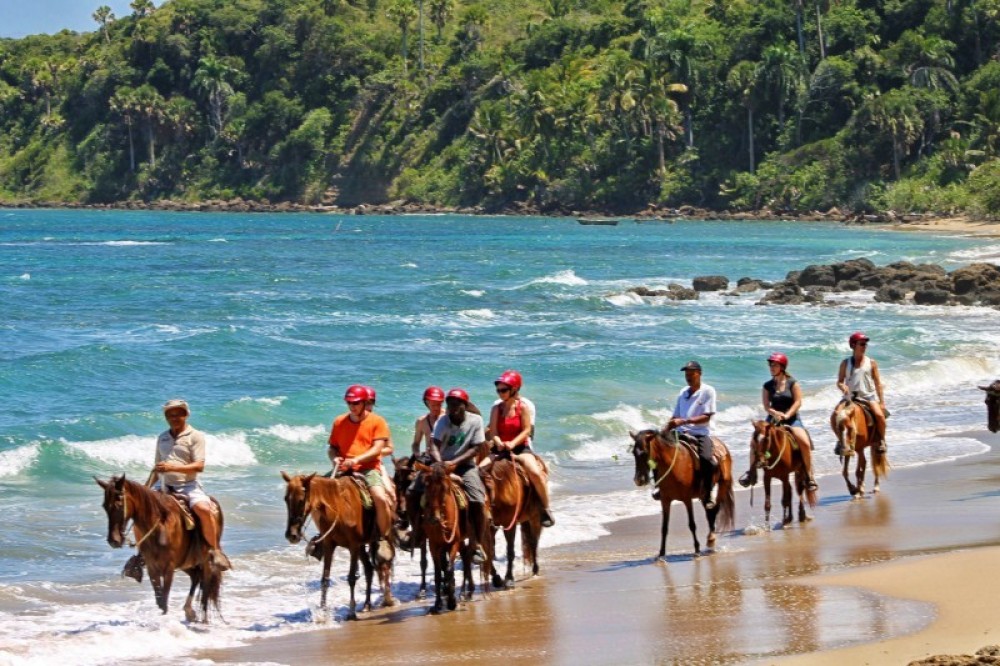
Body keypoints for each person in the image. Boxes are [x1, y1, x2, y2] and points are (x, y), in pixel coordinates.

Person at [152, 399, 231, 571]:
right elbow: (156, 468)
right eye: (170, 415)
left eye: (178, 414)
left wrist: (172, 468)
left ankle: (215, 551)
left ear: (186, 415)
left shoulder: (195, 436)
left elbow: (199, 466)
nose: (174, 418)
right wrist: (145, 488)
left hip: (187, 485)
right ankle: (140, 555)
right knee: (140, 508)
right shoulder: (162, 437)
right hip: (162, 484)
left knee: (203, 509)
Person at [328, 384, 395, 563]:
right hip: (343, 468)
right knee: (315, 492)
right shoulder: (339, 421)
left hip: (368, 468)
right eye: (349, 403)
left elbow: (378, 449)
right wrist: (334, 458)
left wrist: (356, 460)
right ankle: (322, 537)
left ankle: (383, 538)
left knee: (380, 498)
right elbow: (332, 448)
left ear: (365, 402)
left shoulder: (377, 421)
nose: (352, 406)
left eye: (356, 403)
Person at [739, 353, 819, 490]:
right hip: (772, 419)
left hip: (792, 419)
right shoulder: (767, 385)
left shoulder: (792, 383)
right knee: (755, 441)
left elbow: (798, 402)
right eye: (770, 365)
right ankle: (751, 473)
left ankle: (809, 475)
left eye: (774, 365)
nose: (771, 367)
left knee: (804, 442)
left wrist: (787, 415)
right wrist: (775, 413)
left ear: (782, 367)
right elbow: (766, 406)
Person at [428, 388, 490, 564]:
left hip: (465, 466)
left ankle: (476, 543)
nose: (452, 408)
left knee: (478, 500)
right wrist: (440, 463)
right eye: (449, 404)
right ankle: (415, 533)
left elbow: (476, 448)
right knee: (413, 490)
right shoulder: (443, 421)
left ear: (465, 405)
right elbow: (434, 445)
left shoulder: (475, 420)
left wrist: (455, 463)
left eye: (456, 404)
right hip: (442, 465)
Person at [488, 370, 554, 528]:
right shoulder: (496, 408)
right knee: (479, 470)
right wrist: (498, 442)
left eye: (503, 390)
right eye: (498, 390)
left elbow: (526, 430)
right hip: (500, 448)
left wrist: (512, 443)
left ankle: (545, 508)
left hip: (520, 448)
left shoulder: (523, 407)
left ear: (514, 389)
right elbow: (493, 431)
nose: (500, 393)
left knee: (535, 474)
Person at [662, 361, 719, 509]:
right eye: (687, 374)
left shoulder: (708, 391)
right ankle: (659, 487)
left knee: (706, 459)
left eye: (691, 374)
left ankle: (708, 493)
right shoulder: (683, 392)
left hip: (700, 433)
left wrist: (685, 421)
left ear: (699, 374)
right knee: (658, 452)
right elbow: (675, 415)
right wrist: (666, 428)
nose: (688, 377)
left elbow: (707, 416)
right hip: (680, 432)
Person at [834, 331, 888, 454]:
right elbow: (839, 381)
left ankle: (881, 440)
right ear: (853, 345)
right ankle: (840, 441)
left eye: (865, 344)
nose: (865, 347)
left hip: (867, 397)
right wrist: (842, 386)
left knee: (880, 416)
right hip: (850, 398)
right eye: (862, 344)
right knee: (836, 415)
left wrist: (881, 402)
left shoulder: (871, 363)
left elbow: (878, 383)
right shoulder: (845, 363)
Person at [411, 386, 445, 456]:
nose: (436, 408)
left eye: (438, 405)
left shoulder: (448, 417)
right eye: (433, 405)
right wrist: (417, 454)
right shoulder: (421, 422)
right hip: (430, 458)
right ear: (427, 403)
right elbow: (416, 444)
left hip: (448, 458)